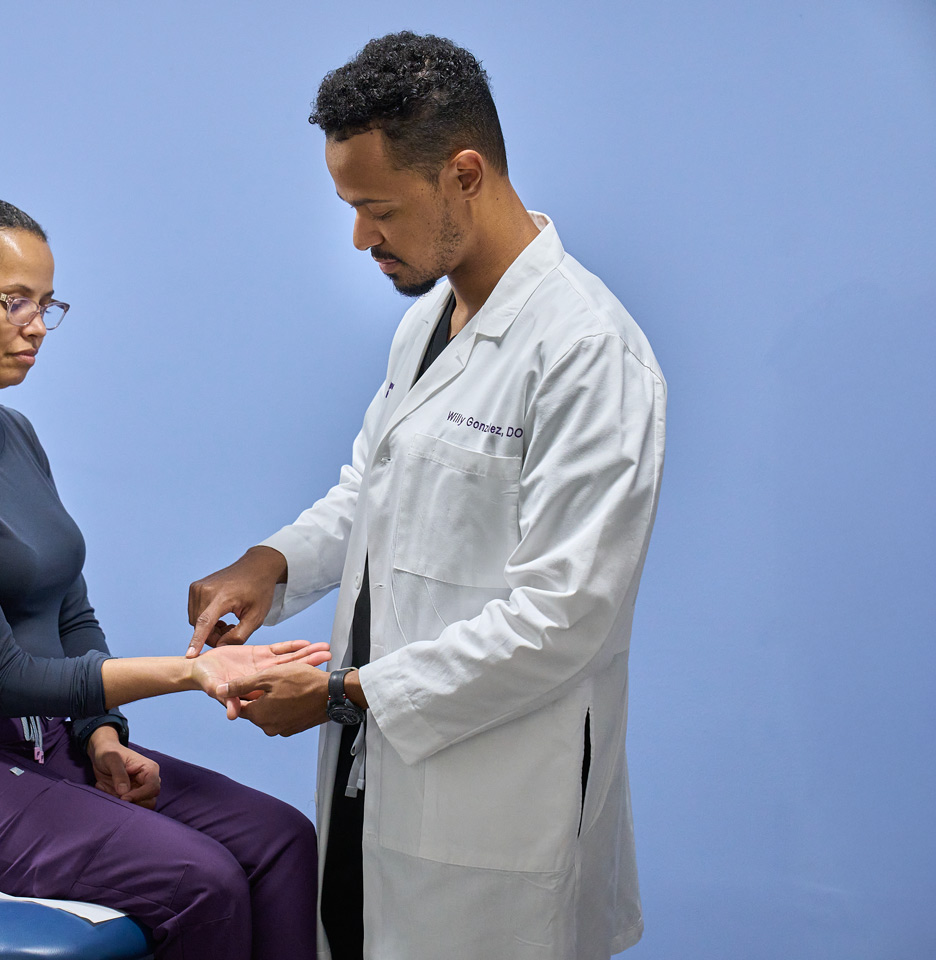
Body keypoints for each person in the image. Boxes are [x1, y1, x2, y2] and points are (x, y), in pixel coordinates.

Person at [186, 33, 665, 960]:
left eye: (377, 208)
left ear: (465, 173)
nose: (361, 237)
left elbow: (569, 615)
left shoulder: (585, 353)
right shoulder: (428, 326)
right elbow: (373, 487)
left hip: (494, 811)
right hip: (382, 783)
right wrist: (272, 562)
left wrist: (344, 696)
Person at [0, 193, 326, 960]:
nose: (35, 326)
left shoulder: (10, 432)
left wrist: (101, 737)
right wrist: (196, 673)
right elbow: (1, 675)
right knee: (198, 879)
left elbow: (68, 612)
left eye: (47, 305)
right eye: (13, 301)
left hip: (38, 747)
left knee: (281, 840)